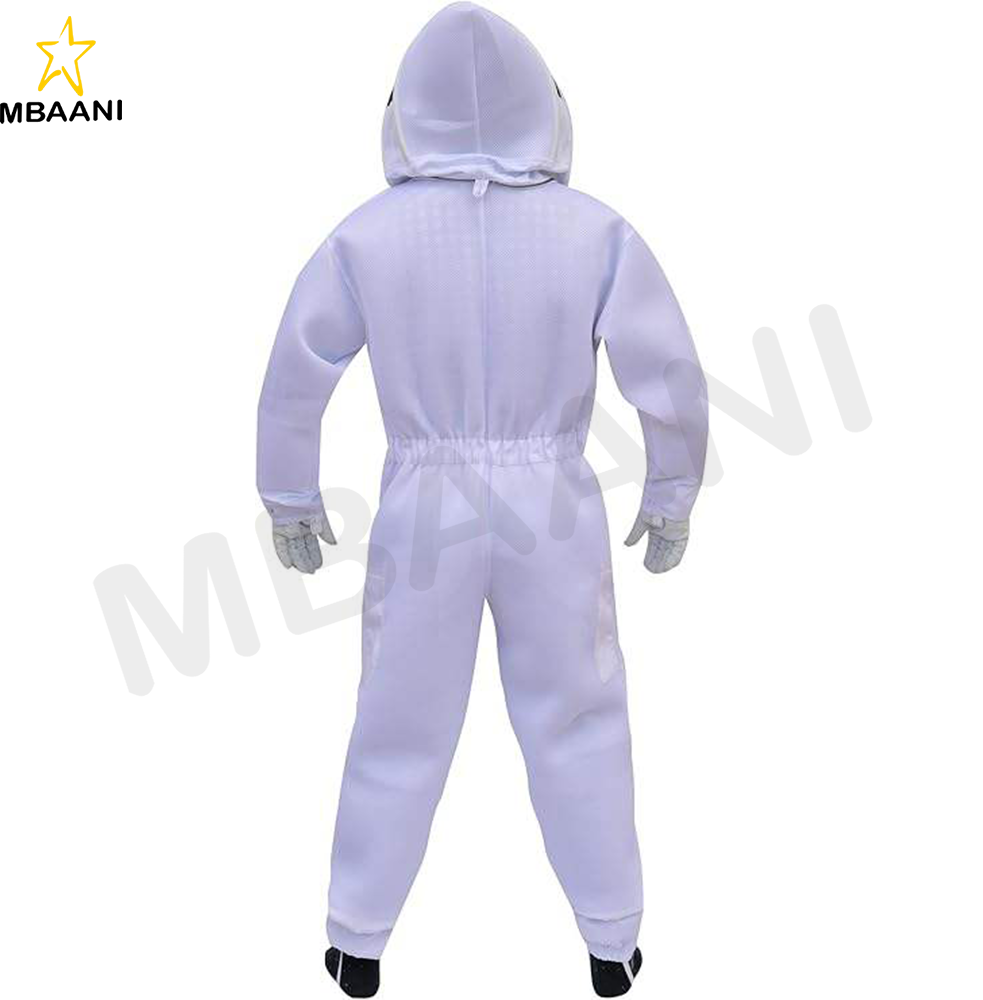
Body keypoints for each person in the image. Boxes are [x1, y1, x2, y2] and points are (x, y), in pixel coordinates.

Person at [257, 4, 708, 995]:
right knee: (578, 712)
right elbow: (663, 364)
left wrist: (289, 489)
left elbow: (300, 363)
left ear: (404, 112)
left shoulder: (369, 237)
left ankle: (357, 935)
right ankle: (611, 936)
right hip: (552, 500)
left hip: (426, 501)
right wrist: (671, 484)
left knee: (399, 715)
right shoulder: (593, 231)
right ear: (544, 106)